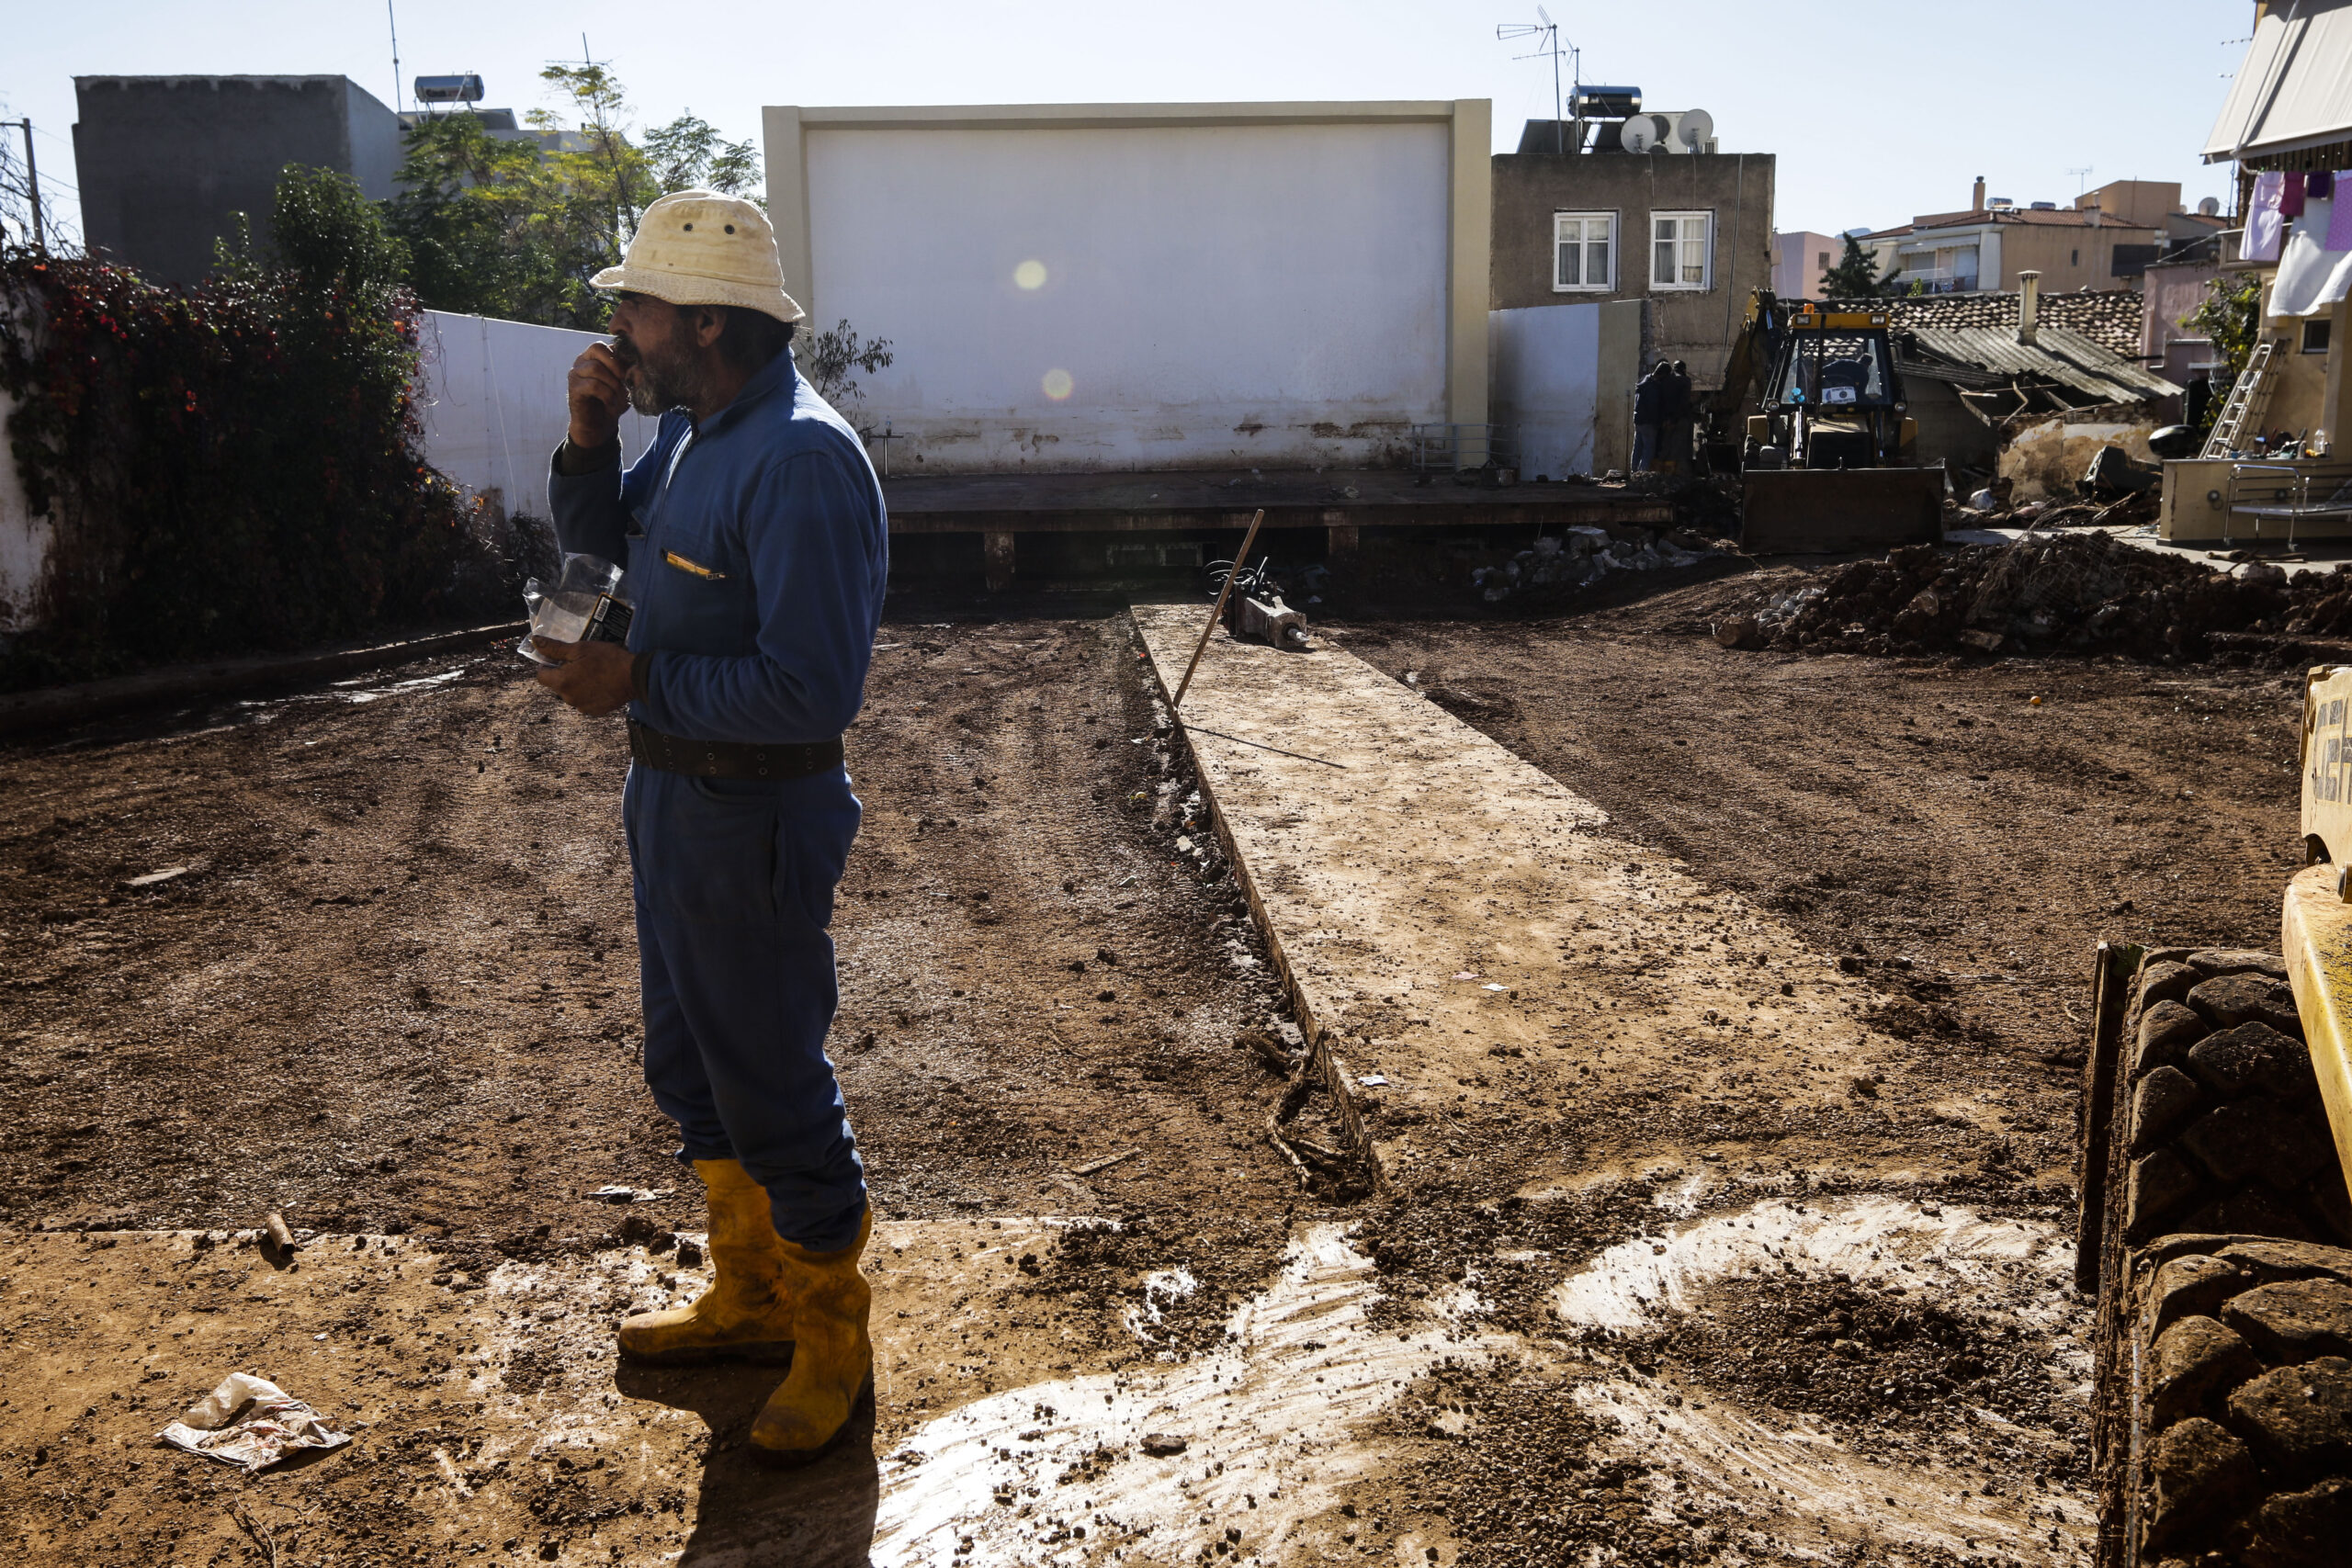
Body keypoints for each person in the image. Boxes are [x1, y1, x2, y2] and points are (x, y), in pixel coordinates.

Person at [533, 188, 888, 1466]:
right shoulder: (695, 433)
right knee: (690, 1062)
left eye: (633, 305)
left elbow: (814, 685)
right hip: (675, 793)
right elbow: (610, 561)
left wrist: (638, 681)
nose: (618, 325)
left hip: (754, 806)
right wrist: (585, 442)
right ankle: (751, 1296)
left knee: (771, 1076)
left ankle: (832, 1336)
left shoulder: (798, 459)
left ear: (703, 323)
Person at [1633, 361, 1668, 472]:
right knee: (1648, 450)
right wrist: (1658, 423)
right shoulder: (1654, 387)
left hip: (1638, 420)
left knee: (1637, 448)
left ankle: (1633, 472)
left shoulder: (1645, 380)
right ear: (1663, 374)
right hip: (1648, 422)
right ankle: (1642, 475)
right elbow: (1653, 407)